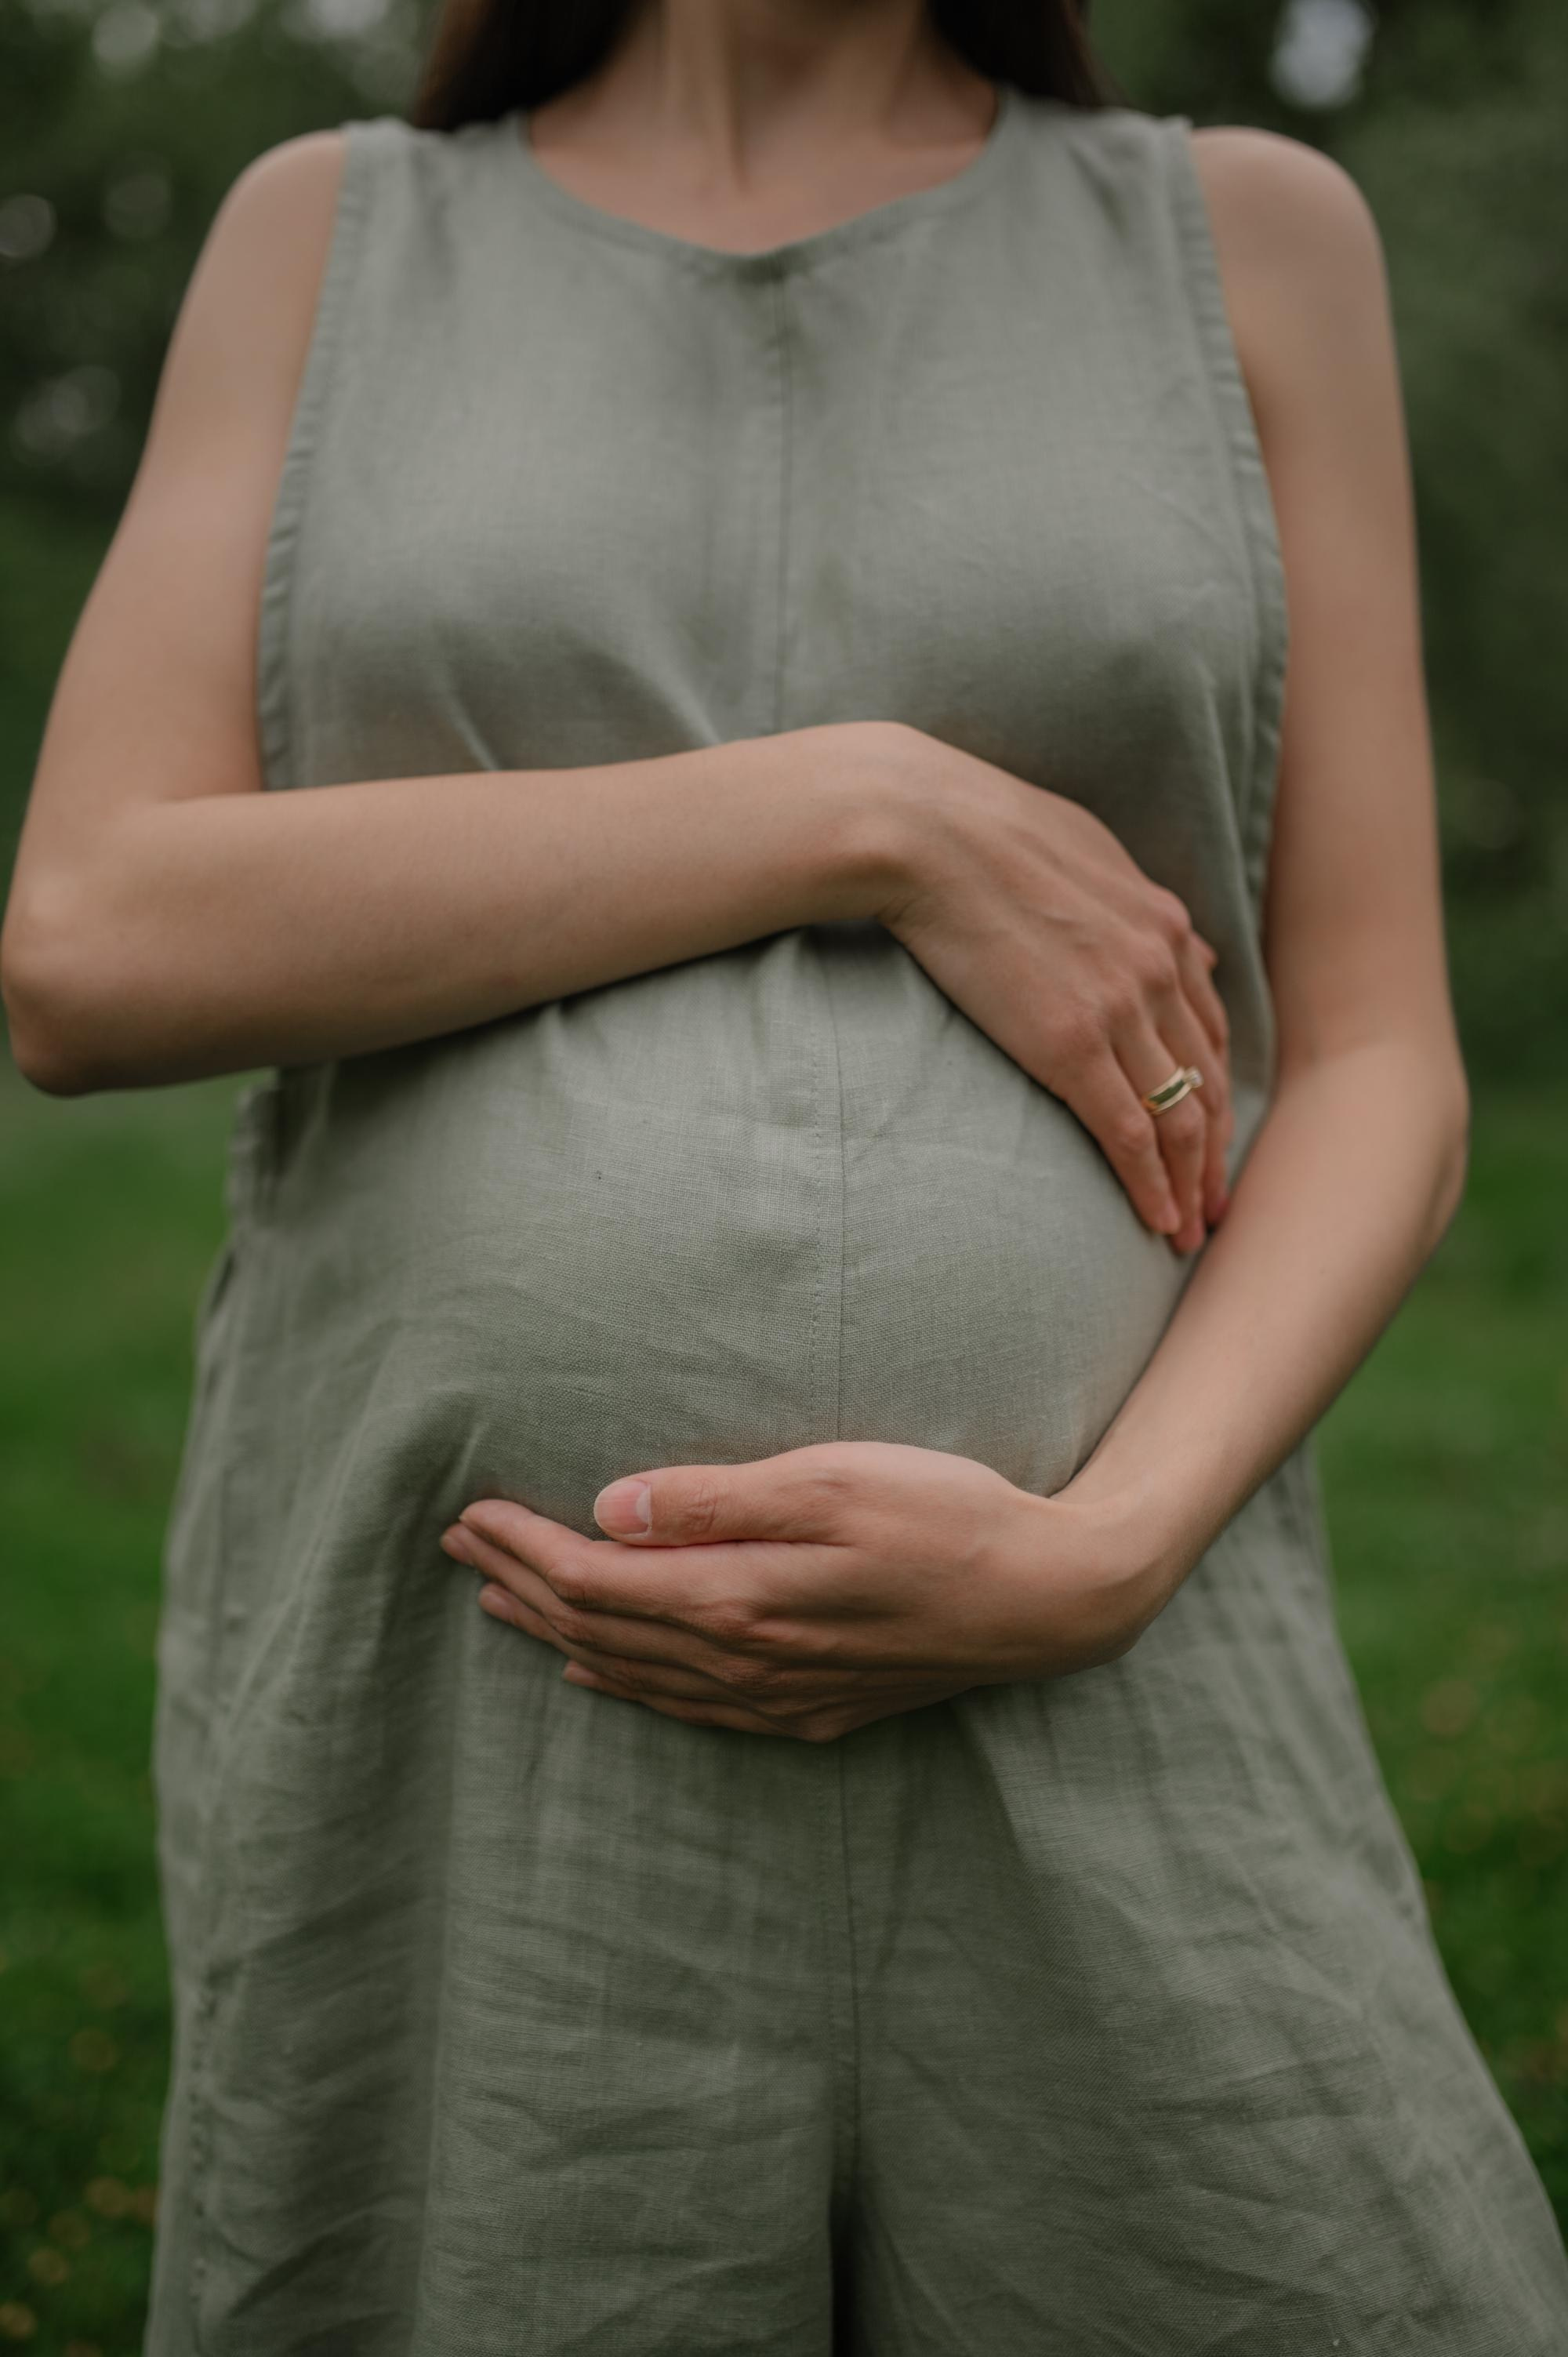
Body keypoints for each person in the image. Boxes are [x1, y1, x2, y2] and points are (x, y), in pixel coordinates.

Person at [4, 0, 1566, 2348]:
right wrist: (859, 815)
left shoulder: (1243, 242)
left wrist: (1104, 1552)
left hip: (1104, 1658)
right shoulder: (325, 244)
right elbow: (91, 942)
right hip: (481, 1687)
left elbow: (1374, 1064)